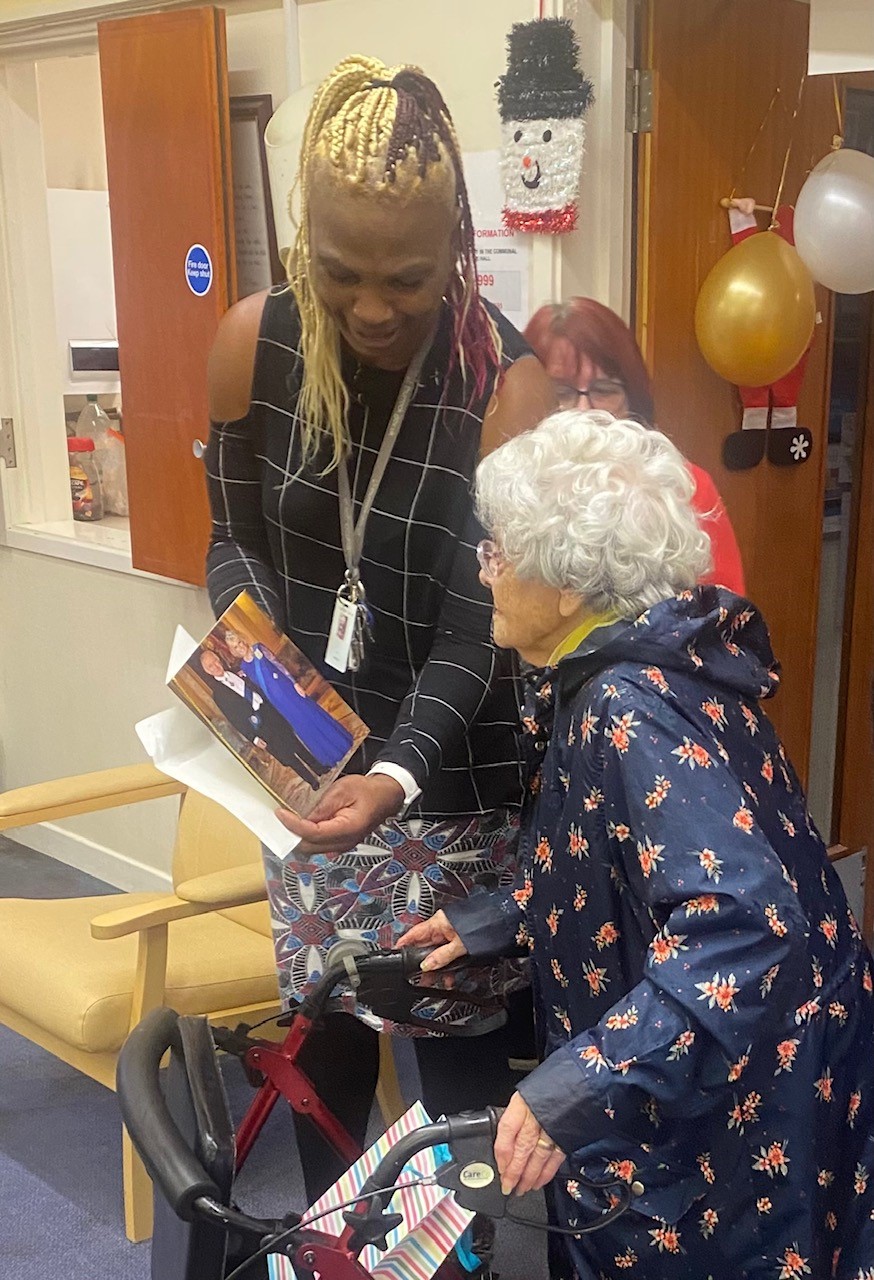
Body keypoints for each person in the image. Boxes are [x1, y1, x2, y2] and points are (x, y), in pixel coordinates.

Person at [400, 411, 874, 1279]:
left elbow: (746, 929)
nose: (483, 569)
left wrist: (574, 1087)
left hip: (731, 1103)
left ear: (570, 581)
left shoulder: (629, 706)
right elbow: (627, 862)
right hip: (762, 1058)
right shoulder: (658, 666)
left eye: (499, 549)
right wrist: (494, 918)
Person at [204, 55, 555, 1203]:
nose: (371, 307)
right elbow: (232, 541)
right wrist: (270, 700)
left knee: (454, 1101)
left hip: (449, 787)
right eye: (341, 271)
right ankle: (329, 1250)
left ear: (456, 246)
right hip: (308, 768)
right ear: (305, 241)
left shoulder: (504, 382)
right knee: (328, 1052)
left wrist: (393, 773)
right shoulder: (252, 342)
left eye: (406, 277)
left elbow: (481, 624)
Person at [524, 297, 746, 596]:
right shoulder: (511, 493)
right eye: (561, 392)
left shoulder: (684, 489)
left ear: (633, 398)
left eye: (604, 390)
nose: (584, 411)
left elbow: (724, 622)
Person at [198, 649, 328, 788]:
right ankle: (312, 781)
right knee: (287, 755)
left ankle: (319, 768)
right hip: (259, 727)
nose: (216, 666)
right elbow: (234, 720)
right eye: (210, 666)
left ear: (219, 658)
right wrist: (253, 738)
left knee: (294, 741)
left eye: (215, 661)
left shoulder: (237, 670)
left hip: (269, 712)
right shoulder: (218, 695)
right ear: (207, 671)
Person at [224, 631, 354, 769]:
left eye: (239, 642)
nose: (240, 647)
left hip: (288, 690)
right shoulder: (244, 667)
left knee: (311, 714)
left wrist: (295, 683)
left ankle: (339, 743)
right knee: (301, 725)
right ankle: (329, 755)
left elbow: (279, 665)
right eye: (236, 647)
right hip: (276, 702)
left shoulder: (259, 648)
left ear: (243, 640)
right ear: (234, 651)